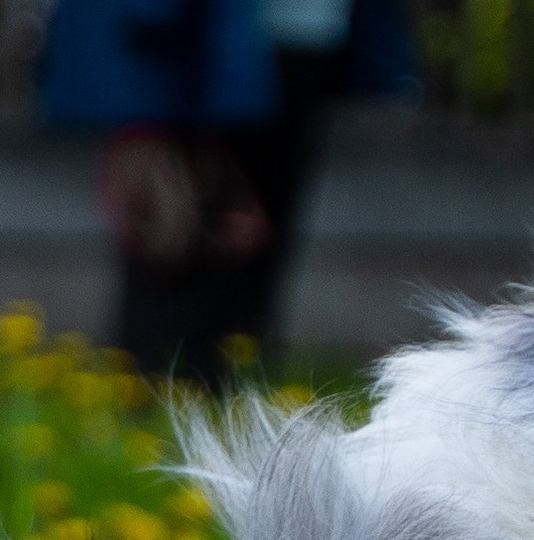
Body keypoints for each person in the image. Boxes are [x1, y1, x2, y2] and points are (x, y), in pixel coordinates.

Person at [41, 0, 417, 387]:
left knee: (247, 278)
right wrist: (144, 88)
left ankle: (224, 403)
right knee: (178, 253)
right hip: (191, 45)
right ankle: (154, 414)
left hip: (299, 38)